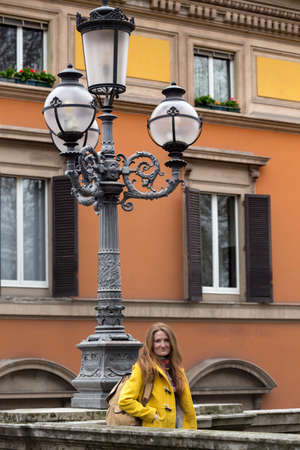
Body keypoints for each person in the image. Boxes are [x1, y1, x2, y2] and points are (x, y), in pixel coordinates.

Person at [118, 322, 197, 429]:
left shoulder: (177, 370)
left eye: (166, 340)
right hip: (156, 431)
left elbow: (187, 406)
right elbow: (125, 401)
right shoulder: (142, 368)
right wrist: (151, 415)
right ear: (151, 344)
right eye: (157, 341)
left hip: (181, 430)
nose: (163, 345)